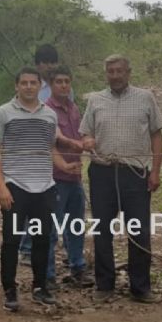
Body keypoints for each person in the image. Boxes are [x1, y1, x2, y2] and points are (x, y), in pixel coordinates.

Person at [0, 67, 81, 312]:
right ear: (16, 86)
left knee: (42, 240)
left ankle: (40, 287)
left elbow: (49, 149)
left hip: (45, 187)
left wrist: (64, 166)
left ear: (40, 86)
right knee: (11, 240)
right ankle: (9, 289)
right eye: (24, 83)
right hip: (15, 186)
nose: (28, 87)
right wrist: (1, 187)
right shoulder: (2, 113)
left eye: (33, 83)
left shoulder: (49, 115)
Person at [80, 54, 162, 303]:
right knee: (102, 230)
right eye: (110, 71)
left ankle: (140, 287)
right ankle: (104, 286)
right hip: (102, 171)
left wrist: (156, 170)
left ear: (129, 72)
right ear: (106, 74)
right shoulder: (95, 100)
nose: (115, 76)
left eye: (119, 71)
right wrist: (87, 142)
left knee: (138, 230)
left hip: (135, 172)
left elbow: (157, 135)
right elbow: (86, 133)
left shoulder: (145, 98)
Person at [18, 44, 72, 267]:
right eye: (46, 62)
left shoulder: (63, 86)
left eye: (53, 62)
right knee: (35, 201)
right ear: (38, 65)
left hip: (58, 151)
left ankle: (56, 247)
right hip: (35, 152)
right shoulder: (32, 88)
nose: (50, 66)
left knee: (55, 204)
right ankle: (27, 247)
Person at [44, 65, 92, 289]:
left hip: (74, 177)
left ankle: (78, 268)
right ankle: (48, 275)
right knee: (52, 228)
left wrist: (88, 142)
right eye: (58, 81)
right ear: (51, 85)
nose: (63, 85)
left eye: (66, 81)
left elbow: (81, 134)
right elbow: (55, 137)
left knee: (75, 225)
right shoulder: (46, 110)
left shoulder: (73, 108)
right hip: (54, 177)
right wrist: (75, 144)